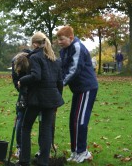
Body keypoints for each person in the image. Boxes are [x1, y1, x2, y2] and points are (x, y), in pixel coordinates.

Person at [16, 32, 64, 166]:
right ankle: (43, 161)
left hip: (37, 99)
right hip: (51, 99)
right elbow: (60, 82)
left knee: (26, 128)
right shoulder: (55, 59)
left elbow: (36, 76)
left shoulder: (35, 57)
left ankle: (24, 160)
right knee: (46, 129)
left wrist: (22, 80)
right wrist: (57, 99)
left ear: (35, 44)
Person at [56, 26, 98, 163]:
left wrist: (61, 83)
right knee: (73, 120)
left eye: (62, 39)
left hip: (87, 88)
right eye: (58, 39)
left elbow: (74, 69)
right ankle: (75, 151)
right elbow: (62, 68)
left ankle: (83, 151)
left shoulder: (77, 47)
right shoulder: (64, 51)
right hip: (78, 90)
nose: (59, 42)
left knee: (80, 121)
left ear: (71, 38)